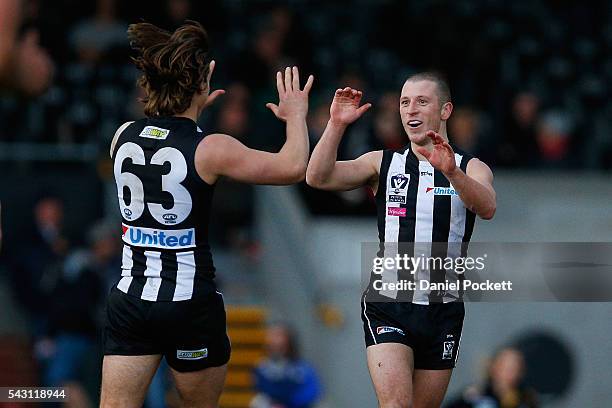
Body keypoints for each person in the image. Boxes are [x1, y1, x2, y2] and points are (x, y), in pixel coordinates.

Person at [101, 21, 313, 408]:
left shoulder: (122, 135)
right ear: (202, 85)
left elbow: (165, 139)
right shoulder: (212, 148)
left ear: (149, 85)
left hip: (131, 300)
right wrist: (296, 114)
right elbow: (293, 166)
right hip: (189, 305)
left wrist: (191, 105)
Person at [306, 72, 496, 407]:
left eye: (422, 101)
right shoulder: (383, 163)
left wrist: (452, 172)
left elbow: (487, 206)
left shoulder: (471, 166)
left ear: (445, 110)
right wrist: (336, 124)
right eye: (405, 102)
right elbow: (317, 176)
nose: (411, 110)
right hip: (389, 304)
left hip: (443, 309)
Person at [251, 324, 322, 408]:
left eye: (278, 335)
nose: (273, 340)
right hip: (272, 404)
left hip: (296, 405)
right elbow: (261, 389)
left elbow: (313, 391)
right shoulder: (261, 367)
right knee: (257, 401)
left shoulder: (303, 368)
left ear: (289, 340)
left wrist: (289, 402)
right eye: (271, 335)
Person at [445, 347, 538, 408]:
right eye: (505, 367)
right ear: (493, 367)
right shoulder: (476, 395)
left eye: (515, 368)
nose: (510, 373)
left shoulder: (526, 398)